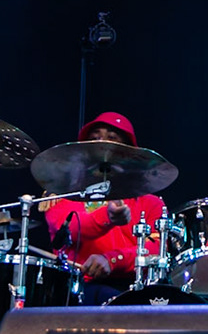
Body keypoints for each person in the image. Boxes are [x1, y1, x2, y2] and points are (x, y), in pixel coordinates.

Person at [41, 111, 169, 303]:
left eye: (112, 139)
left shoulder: (151, 203)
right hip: (76, 291)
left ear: (129, 154)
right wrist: (107, 217)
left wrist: (113, 260)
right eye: (95, 139)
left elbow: (156, 249)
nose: (102, 145)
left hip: (132, 290)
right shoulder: (62, 196)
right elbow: (71, 230)